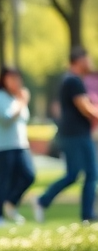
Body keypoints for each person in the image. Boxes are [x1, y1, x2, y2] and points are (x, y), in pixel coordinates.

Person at [32, 46, 98, 223]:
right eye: (87, 58)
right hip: (76, 135)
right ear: (79, 60)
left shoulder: (69, 80)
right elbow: (85, 108)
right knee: (90, 173)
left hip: (73, 134)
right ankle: (86, 214)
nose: (90, 62)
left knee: (75, 174)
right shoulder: (73, 81)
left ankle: (43, 200)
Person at [0, 67, 35, 226]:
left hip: (20, 144)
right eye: (11, 78)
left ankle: (10, 202)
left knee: (29, 175)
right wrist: (22, 102)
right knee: (3, 180)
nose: (15, 82)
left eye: (17, 78)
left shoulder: (17, 97)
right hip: (2, 146)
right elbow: (6, 118)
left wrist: (20, 101)